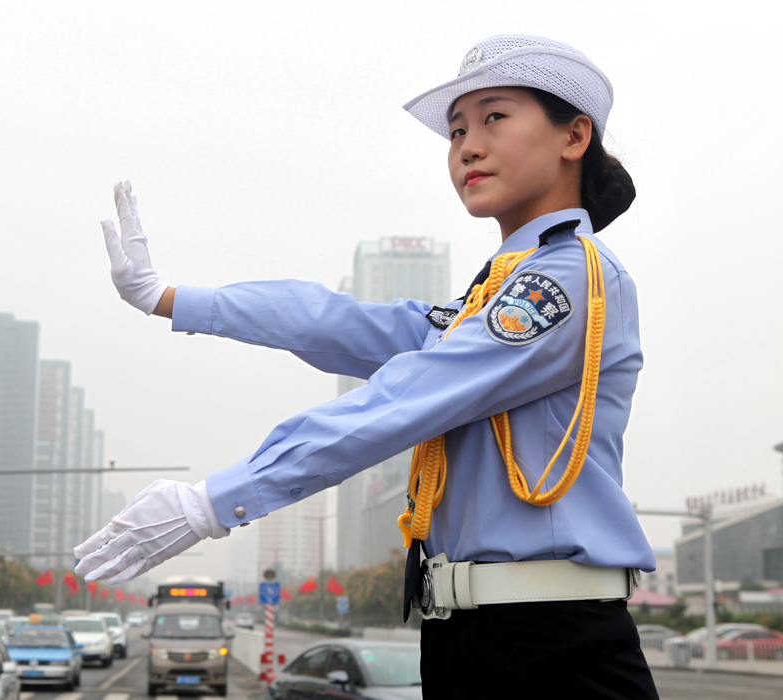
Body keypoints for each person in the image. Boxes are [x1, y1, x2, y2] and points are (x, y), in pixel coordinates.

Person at [75, 34, 658, 699]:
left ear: (574, 135)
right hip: (469, 638)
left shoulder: (568, 280)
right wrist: (169, 299)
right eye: (458, 129)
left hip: (551, 646)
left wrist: (214, 501)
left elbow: (407, 396)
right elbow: (336, 321)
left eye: (495, 117)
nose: (466, 146)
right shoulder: (486, 298)